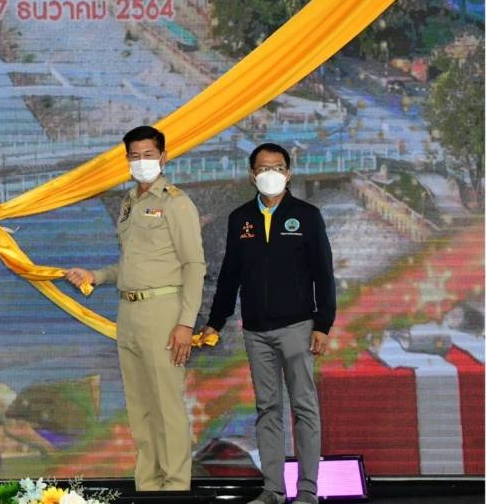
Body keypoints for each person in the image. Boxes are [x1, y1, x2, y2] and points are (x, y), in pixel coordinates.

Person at [66, 125, 205, 491]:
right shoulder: (128, 203)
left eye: (149, 155)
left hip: (164, 312)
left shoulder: (177, 203)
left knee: (167, 406)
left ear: (164, 157)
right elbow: (130, 264)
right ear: (126, 159)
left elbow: (194, 265)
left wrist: (186, 324)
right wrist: (95, 276)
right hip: (128, 313)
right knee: (140, 407)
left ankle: (175, 487)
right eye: (135, 156)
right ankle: (148, 486)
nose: (142, 162)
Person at [198, 143, 336, 504]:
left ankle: (308, 491)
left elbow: (324, 273)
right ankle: (273, 489)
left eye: (277, 167)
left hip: (299, 328)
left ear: (288, 174)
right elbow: (229, 276)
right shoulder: (239, 219)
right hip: (255, 331)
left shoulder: (307, 215)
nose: (269, 174)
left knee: (304, 408)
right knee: (267, 410)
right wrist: (215, 322)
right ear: (251, 175)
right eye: (262, 168)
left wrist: (323, 324)